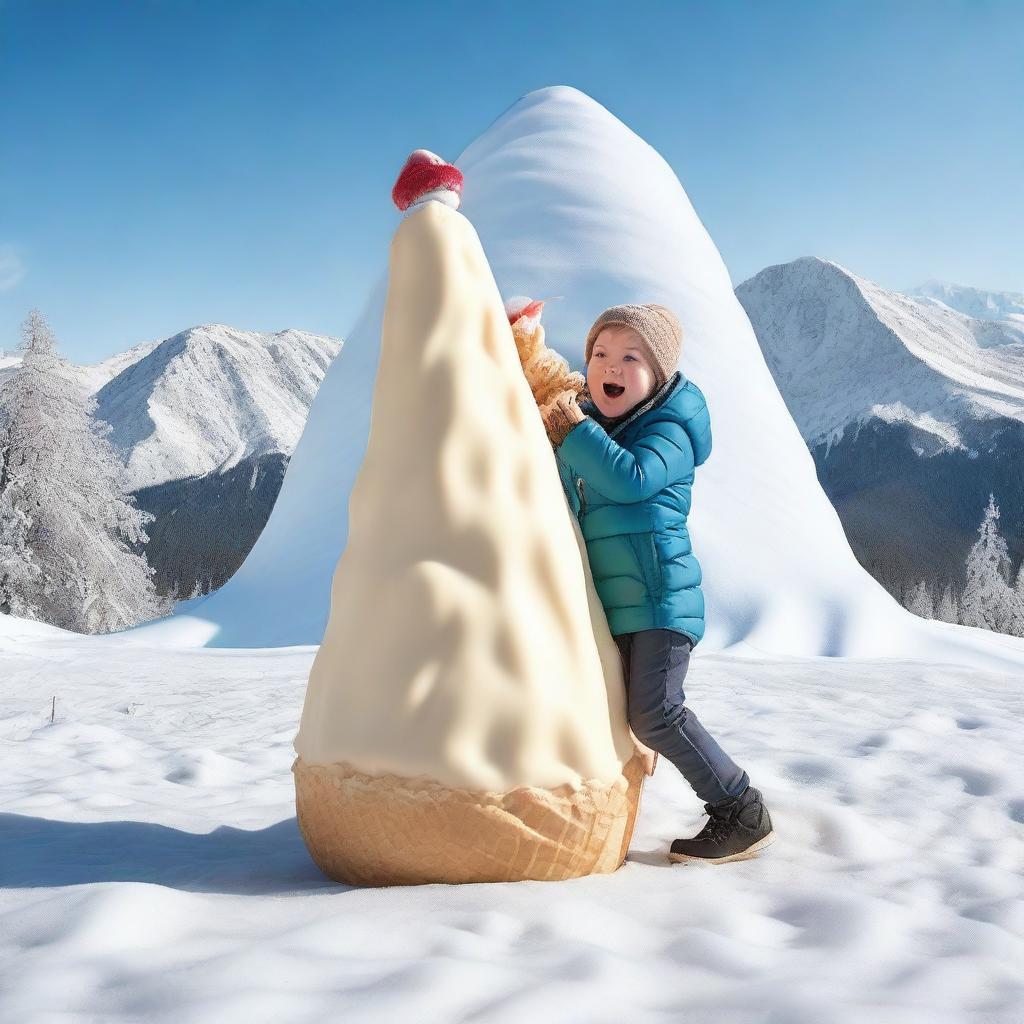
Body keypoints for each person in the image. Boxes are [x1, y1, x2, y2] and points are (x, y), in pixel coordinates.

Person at [540, 303, 775, 864]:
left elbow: (631, 480)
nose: (610, 366)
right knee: (608, 707)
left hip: (658, 597)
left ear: (660, 373)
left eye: (630, 356)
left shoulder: (669, 426)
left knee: (655, 713)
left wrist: (572, 432)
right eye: (600, 353)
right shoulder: (597, 426)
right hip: (617, 603)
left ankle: (741, 810)